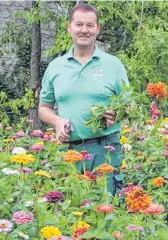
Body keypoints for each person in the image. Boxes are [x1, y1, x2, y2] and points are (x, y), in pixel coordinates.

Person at [38, 3, 129, 195]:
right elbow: (44, 107)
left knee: (107, 206)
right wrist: (57, 120)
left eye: (89, 25)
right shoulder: (55, 67)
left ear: (98, 28)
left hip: (105, 148)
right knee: (71, 206)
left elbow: (129, 105)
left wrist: (118, 113)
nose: (84, 30)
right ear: (69, 28)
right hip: (68, 151)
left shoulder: (113, 65)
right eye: (79, 25)